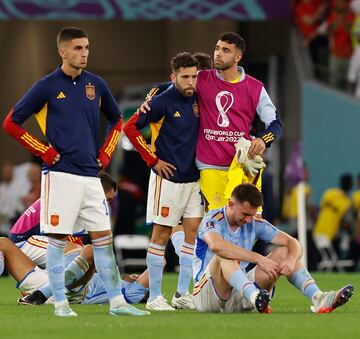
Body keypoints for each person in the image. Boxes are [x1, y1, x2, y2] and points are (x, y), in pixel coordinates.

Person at [2, 27, 148, 317]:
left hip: (90, 176)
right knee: (58, 240)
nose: (84, 53)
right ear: (63, 52)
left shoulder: (95, 83)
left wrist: (106, 153)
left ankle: (118, 304)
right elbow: (11, 122)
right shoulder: (46, 85)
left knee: (103, 238)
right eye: (78, 48)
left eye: (87, 48)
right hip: (60, 175)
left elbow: (117, 118)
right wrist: (43, 151)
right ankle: (60, 303)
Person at [192, 183, 354, 314]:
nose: (249, 220)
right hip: (208, 295)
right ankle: (255, 296)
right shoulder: (212, 219)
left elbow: (294, 243)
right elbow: (216, 246)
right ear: (231, 204)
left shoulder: (253, 222)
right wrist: (258, 258)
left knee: (285, 251)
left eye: (252, 214)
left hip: (238, 293)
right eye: (245, 214)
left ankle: (318, 298)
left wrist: (290, 260)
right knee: (224, 254)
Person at [123, 52, 203, 311]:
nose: (191, 82)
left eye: (194, 76)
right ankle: (155, 297)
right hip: (166, 178)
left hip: (193, 179)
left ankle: (182, 293)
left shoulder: (200, 99)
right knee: (161, 234)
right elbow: (130, 128)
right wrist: (152, 160)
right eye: (185, 77)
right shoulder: (161, 101)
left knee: (192, 235)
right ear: (173, 77)